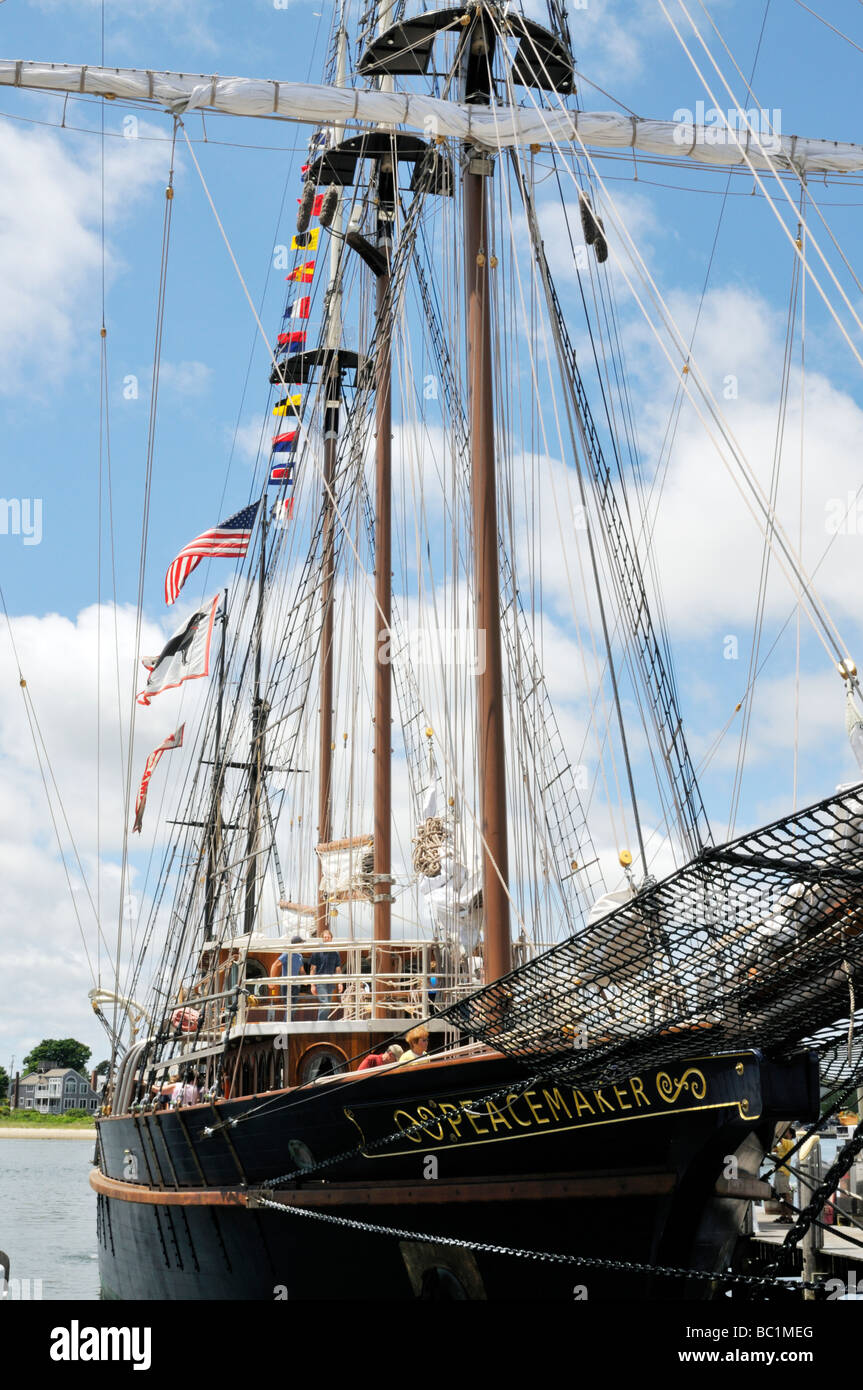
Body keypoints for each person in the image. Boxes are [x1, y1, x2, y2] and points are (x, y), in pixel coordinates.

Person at [308, 926, 343, 1020]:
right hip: (320, 981)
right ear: (322, 939)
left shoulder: (335, 953)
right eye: (325, 937)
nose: (326, 939)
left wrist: (340, 983)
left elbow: (338, 969)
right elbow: (312, 969)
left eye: (328, 937)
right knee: (325, 1004)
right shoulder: (317, 952)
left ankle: (322, 1021)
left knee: (327, 1004)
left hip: (331, 982)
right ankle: (322, 1023)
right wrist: (312, 985)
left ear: (331, 939)